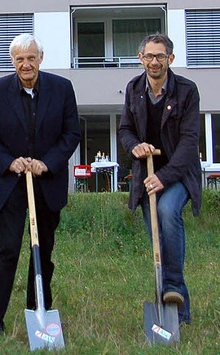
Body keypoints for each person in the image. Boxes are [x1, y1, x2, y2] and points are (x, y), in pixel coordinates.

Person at [0, 33, 81, 337]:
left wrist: (48, 162)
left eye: (30, 58)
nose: (25, 64)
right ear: (12, 61)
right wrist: (9, 162)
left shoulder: (62, 89)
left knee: (43, 250)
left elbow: (71, 133)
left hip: (47, 183)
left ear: (41, 59)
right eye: (19, 59)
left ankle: (41, 313)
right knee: (7, 250)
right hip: (12, 183)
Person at [119, 33, 200, 325]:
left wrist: (164, 177)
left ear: (171, 59)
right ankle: (179, 315)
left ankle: (174, 287)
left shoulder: (187, 91)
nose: (154, 62)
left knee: (167, 211)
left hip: (179, 172)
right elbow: (125, 130)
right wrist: (134, 146)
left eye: (160, 56)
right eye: (149, 56)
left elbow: (190, 143)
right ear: (141, 59)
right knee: (159, 239)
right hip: (147, 173)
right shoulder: (133, 88)